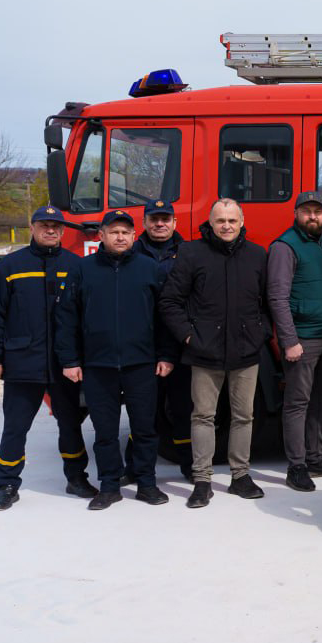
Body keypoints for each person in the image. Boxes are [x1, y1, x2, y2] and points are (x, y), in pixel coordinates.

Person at [0, 205, 94, 511]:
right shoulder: (10, 266)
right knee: (16, 427)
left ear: (63, 230)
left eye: (56, 226)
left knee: (70, 425)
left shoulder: (76, 265)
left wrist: (82, 358)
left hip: (63, 364)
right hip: (22, 362)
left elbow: (86, 316)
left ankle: (76, 478)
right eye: (44, 224)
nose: (51, 230)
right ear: (32, 227)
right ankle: (6, 485)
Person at [55, 210, 173, 510]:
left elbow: (164, 317)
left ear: (134, 236)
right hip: (98, 365)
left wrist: (166, 355)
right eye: (113, 232)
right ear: (101, 236)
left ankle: (146, 484)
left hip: (141, 364)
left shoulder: (150, 269)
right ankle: (109, 486)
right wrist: (70, 360)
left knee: (145, 429)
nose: (120, 237)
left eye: (125, 232)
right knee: (105, 431)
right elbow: (67, 317)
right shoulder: (83, 270)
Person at [159, 198, 271, 508]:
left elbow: (269, 301)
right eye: (220, 220)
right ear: (210, 222)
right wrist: (190, 338)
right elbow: (170, 302)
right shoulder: (192, 253)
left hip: (246, 352)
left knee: (243, 416)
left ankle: (240, 477)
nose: (226, 226)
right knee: (203, 416)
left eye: (232, 221)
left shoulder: (257, 255)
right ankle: (202, 480)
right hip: (204, 353)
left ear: (241, 222)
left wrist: (261, 334)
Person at [268, 191, 322, 492]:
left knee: (321, 402)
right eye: (307, 211)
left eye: (318, 211)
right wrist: (288, 340)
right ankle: (297, 466)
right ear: (297, 213)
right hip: (301, 340)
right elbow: (277, 297)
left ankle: (317, 458)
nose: (312, 217)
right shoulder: (285, 246)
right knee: (297, 403)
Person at [128, 198, 192, 482]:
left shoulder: (189, 252)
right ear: (144, 223)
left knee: (183, 409)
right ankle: (136, 468)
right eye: (154, 219)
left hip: (179, 344)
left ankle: (190, 467)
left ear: (175, 223)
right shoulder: (130, 252)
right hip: (143, 345)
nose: (160, 223)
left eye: (165, 218)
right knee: (144, 411)